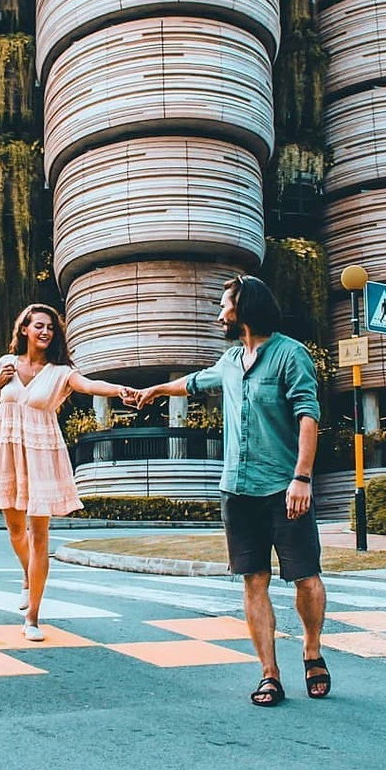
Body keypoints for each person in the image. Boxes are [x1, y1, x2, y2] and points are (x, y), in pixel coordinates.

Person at [126, 274, 330, 706]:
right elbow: (195, 382)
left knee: (305, 578)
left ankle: (311, 649)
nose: (219, 313)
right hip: (237, 489)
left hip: (284, 487)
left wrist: (302, 477)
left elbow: (308, 416)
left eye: (225, 305)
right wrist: (155, 390)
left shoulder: (291, 356)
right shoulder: (231, 360)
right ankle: (269, 674)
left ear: (245, 307)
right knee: (253, 581)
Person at [0, 302, 130, 642]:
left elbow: (91, 385)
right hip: (8, 450)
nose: (45, 332)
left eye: (50, 327)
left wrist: (121, 390)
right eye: (38, 326)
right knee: (15, 529)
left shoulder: (60, 371)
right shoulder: (6, 364)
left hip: (42, 454)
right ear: (24, 329)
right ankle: (27, 575)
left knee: (39, 536)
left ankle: (33, 617)